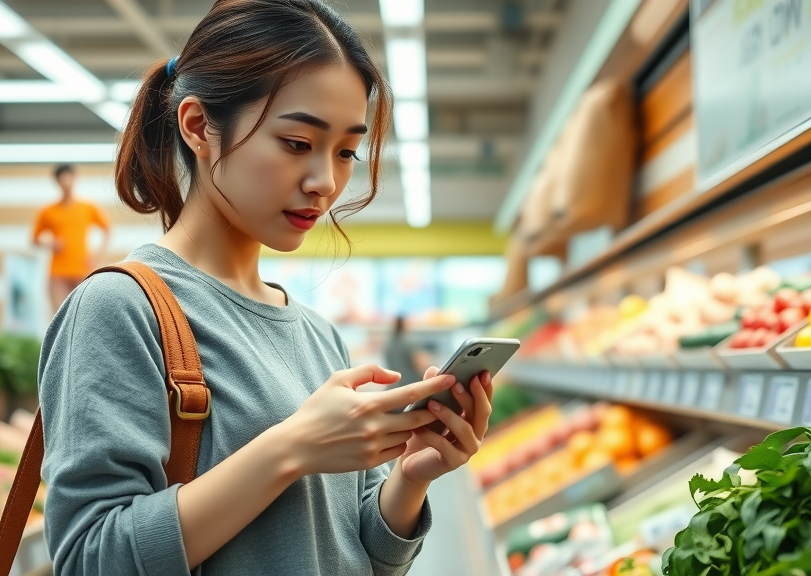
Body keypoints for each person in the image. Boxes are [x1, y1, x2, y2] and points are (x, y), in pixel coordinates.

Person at [37, 1, 494, 575]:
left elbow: (354, 559)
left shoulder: (315, 332)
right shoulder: (120, 307)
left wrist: (410, 478)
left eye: (347, 151)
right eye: (298, 143)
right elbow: (90, 559)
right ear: (199, 126)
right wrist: (291, 449)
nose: (325, 182)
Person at [31, 164, 111, 314]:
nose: (67, 182)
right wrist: (50, 243)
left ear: (75, 179)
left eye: (69, 177)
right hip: (57, 272)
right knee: (58, 314)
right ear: (57, 182)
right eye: (63, 178)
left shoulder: (87, 207)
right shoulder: (48, 211)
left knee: (85, 313)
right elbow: (34, 239)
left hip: (82, 268)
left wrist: (97, 256)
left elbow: (107, 230)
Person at [384, 315, 435, 386]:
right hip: (412, 385)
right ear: (404, 325)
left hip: (395, 386)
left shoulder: (389, 345)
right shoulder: (409, 343)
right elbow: (422, 364)